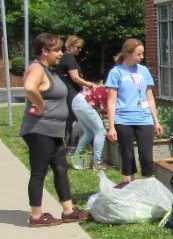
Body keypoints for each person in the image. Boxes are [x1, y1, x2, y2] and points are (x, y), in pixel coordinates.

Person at [21, 33, 88, 227]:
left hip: (54, 130)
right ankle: (36, 217)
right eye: (57, 50)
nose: (60, 54)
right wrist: (40, 105)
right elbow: (29, 87)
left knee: (60, 169)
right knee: (39, 172)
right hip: (39, 129)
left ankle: (68, 211)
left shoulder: (48, 69)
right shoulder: (36, 67)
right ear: (45, 51)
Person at [106, 38, 163, 188]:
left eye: (142, 54)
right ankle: (128, 187)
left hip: (144, 119)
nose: (142, 57)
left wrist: (156, 120)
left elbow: (149, 97)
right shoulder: (116, 72)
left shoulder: (144, 71)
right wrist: (111, 126)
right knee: (127, 155)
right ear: (128, 54)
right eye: (139, 54)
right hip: (123, 120)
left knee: (146, 156)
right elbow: (111, 101)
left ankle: (148, 187)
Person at [56, 35, 95, 151]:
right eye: (78, 47)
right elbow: (75, 78)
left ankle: (68, 145)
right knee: (75, 119)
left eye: (80, 48)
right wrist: (90, 85)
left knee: (70, 119)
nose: (80, 50)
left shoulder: (63, 57)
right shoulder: (69, 58)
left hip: (66, 92)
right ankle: (71, 146)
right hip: (72, 93)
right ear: (70, 45)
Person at [72, 82, 109, 171]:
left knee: (89, 133)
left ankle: (78, 162)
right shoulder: (114, 93)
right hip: (84, 103)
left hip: (77, 101)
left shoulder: (109, 88)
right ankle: (97, 163)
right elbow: (108, 113)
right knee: (100, 131)